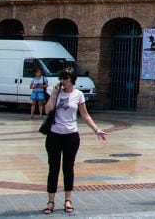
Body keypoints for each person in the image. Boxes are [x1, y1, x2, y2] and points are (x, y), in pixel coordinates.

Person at [43, 68, 108, 215]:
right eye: (61, 78)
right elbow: (47, 110)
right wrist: (53, 94)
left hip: (71, 136)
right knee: (53, 168)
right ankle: (50, 200)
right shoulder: (56, 93)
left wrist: (97, 130)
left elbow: (85, 115)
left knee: (68, 167)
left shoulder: (78, 95)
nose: (62, 81)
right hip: (54, 135)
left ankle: (68, 199)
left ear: (71, 79)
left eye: (65, 78)